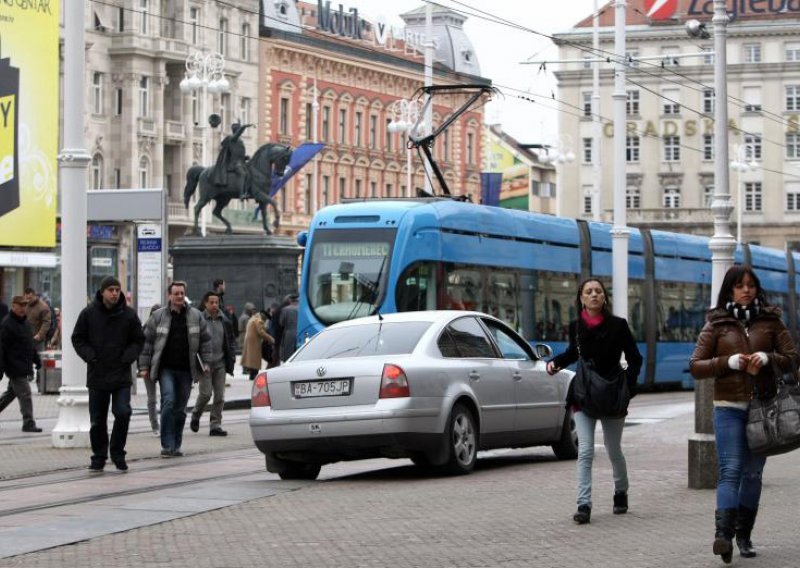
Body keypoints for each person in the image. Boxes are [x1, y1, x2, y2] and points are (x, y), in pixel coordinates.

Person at [690, 265, 798, 562]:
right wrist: (730, 362)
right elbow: (697, 365)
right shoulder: (716, 324)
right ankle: (722, 537)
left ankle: (744, 535)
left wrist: (768, 358)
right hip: (729, 408)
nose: (746, 290)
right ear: (730, 290)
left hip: (763, 410)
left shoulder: (771, 321)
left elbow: (793, 359)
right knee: (731, 471)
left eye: (751, 285)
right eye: (740, 285)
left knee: (752, 474)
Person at [546, 278, 642, 525]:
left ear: (604, 297)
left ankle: (620, 491)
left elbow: (635, 359)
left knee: (613, 450)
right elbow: (572, 353)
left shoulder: (619, 326)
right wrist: (555, 363)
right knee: (585, 451)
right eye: (588, 292)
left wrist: (627, 388)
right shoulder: (576, 326)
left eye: (598, 291)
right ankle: (583, 504)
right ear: (581, 298)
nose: (594, 295)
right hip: (584, 394)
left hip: (611, 395)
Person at [71, 276, 145, 472]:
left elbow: (138, 340)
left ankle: (118, 452)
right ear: (102, 292)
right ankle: (99, 456)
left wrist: (128, 357)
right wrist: (90, 356)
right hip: (97, 374)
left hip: (120, 374)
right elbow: (78, 338)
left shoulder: (129, 315)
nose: (114, 293)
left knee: (123, 412)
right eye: (111, 289)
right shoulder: (88, 314)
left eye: (117, 289)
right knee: (97, 419)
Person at [139, 281, 212, 458]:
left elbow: (206, 340)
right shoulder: (158, 316)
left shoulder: (195, 316)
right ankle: (166, 444)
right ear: (169, 296)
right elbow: (147, 342)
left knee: (180, 409)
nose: (179, 296)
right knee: (168, 401)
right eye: (176, 293)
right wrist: (143, 366)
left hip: (187, 370)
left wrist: (207, 362)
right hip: (166, 369)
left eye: (182, 293)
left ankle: (176, 444)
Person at [190, 291, 235, 437]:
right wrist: (199, 361)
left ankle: (215, 425)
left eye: (217, 302)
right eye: (212, 302)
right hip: (204, 364)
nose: (215, 305)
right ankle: (196, 415)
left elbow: (230, 342)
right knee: (205, 394)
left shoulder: (225, 321)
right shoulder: (199, 320)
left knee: (220, 396)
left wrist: (231, 359)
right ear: (205, 304)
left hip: (220, 363)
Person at [0, 296, 43, 432]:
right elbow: (1, 349)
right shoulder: (7, 324)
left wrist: (36, 360)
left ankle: (28, 422)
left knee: (11, 394)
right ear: (13, 306)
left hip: (23, 364)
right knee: (25, 394)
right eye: (20, 305)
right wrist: (1, 368)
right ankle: (28, 423)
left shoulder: (25, 323)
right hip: (14, 366)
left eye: (25, 305)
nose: (23, 308)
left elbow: (30, 344)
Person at [212, 122, 253, 199]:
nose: (241, 132)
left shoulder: (240, 141)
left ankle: (247, 191)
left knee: (250, 173)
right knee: (242, 174)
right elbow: (234, 155)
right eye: (239, 130)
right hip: (234, 163)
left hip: (241, 162)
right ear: (236, 130)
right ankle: (241, 194)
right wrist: (245, 126)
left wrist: (246, 157)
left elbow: (238, 154)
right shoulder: (232, 138)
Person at [144, 304, 162, 436]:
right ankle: (155, 425)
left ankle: (158, 425)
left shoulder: (165, 329)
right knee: (152, 398)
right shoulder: (145, 329)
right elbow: (142, 351)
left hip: (161, 367)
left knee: (162, 397)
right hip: (150, 367)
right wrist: (143, 367)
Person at [242, 309, 273, 381]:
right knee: (255, 359)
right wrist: (271, 339)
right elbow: (261, 332)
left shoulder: (254, 318)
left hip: (250, 341)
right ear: (264, 317)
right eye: (265, 319)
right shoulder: (259, 320)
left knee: (253, 359)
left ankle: (252, 375)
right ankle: (253, 376)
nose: (265, 321)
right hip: (254, 341)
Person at [23, 287, 51, 355]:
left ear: (35, 296)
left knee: (38, 358)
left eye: (30, 298)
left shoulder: (43, 307)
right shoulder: (25, 305)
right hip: (25, 338)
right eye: (26, 298)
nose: (28, 300)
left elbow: (46, 322)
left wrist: (40, 335)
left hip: (37, 340)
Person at [278, 294, 299, 363]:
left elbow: (281, 323)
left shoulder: (285, 309)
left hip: (289, 333)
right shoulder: (301, 308)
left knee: (288, 353)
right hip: (300, 332)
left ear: (290, 300)